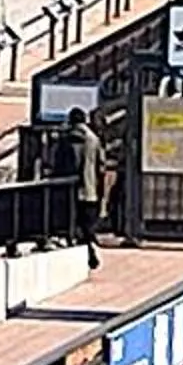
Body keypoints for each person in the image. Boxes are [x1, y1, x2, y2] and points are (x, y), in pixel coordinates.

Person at [57, 107, 109, 270]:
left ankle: (81, 248)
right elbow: (101, 167)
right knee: (87, 225)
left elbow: (57, 163)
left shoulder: (64, 138)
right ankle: (89, 249)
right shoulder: (93, 140)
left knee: (69, 224)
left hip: (67, 190)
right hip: (89, 190)